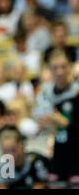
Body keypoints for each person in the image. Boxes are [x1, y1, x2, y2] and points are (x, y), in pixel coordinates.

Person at [33, 50, 79, 187]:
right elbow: (39, 122)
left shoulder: (77, 92)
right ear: (49, 70)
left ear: (70, 67)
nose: (60, 72)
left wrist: (65, 123)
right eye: (55, 68)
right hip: (55, 156)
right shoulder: (45, 93)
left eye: (63, 67)